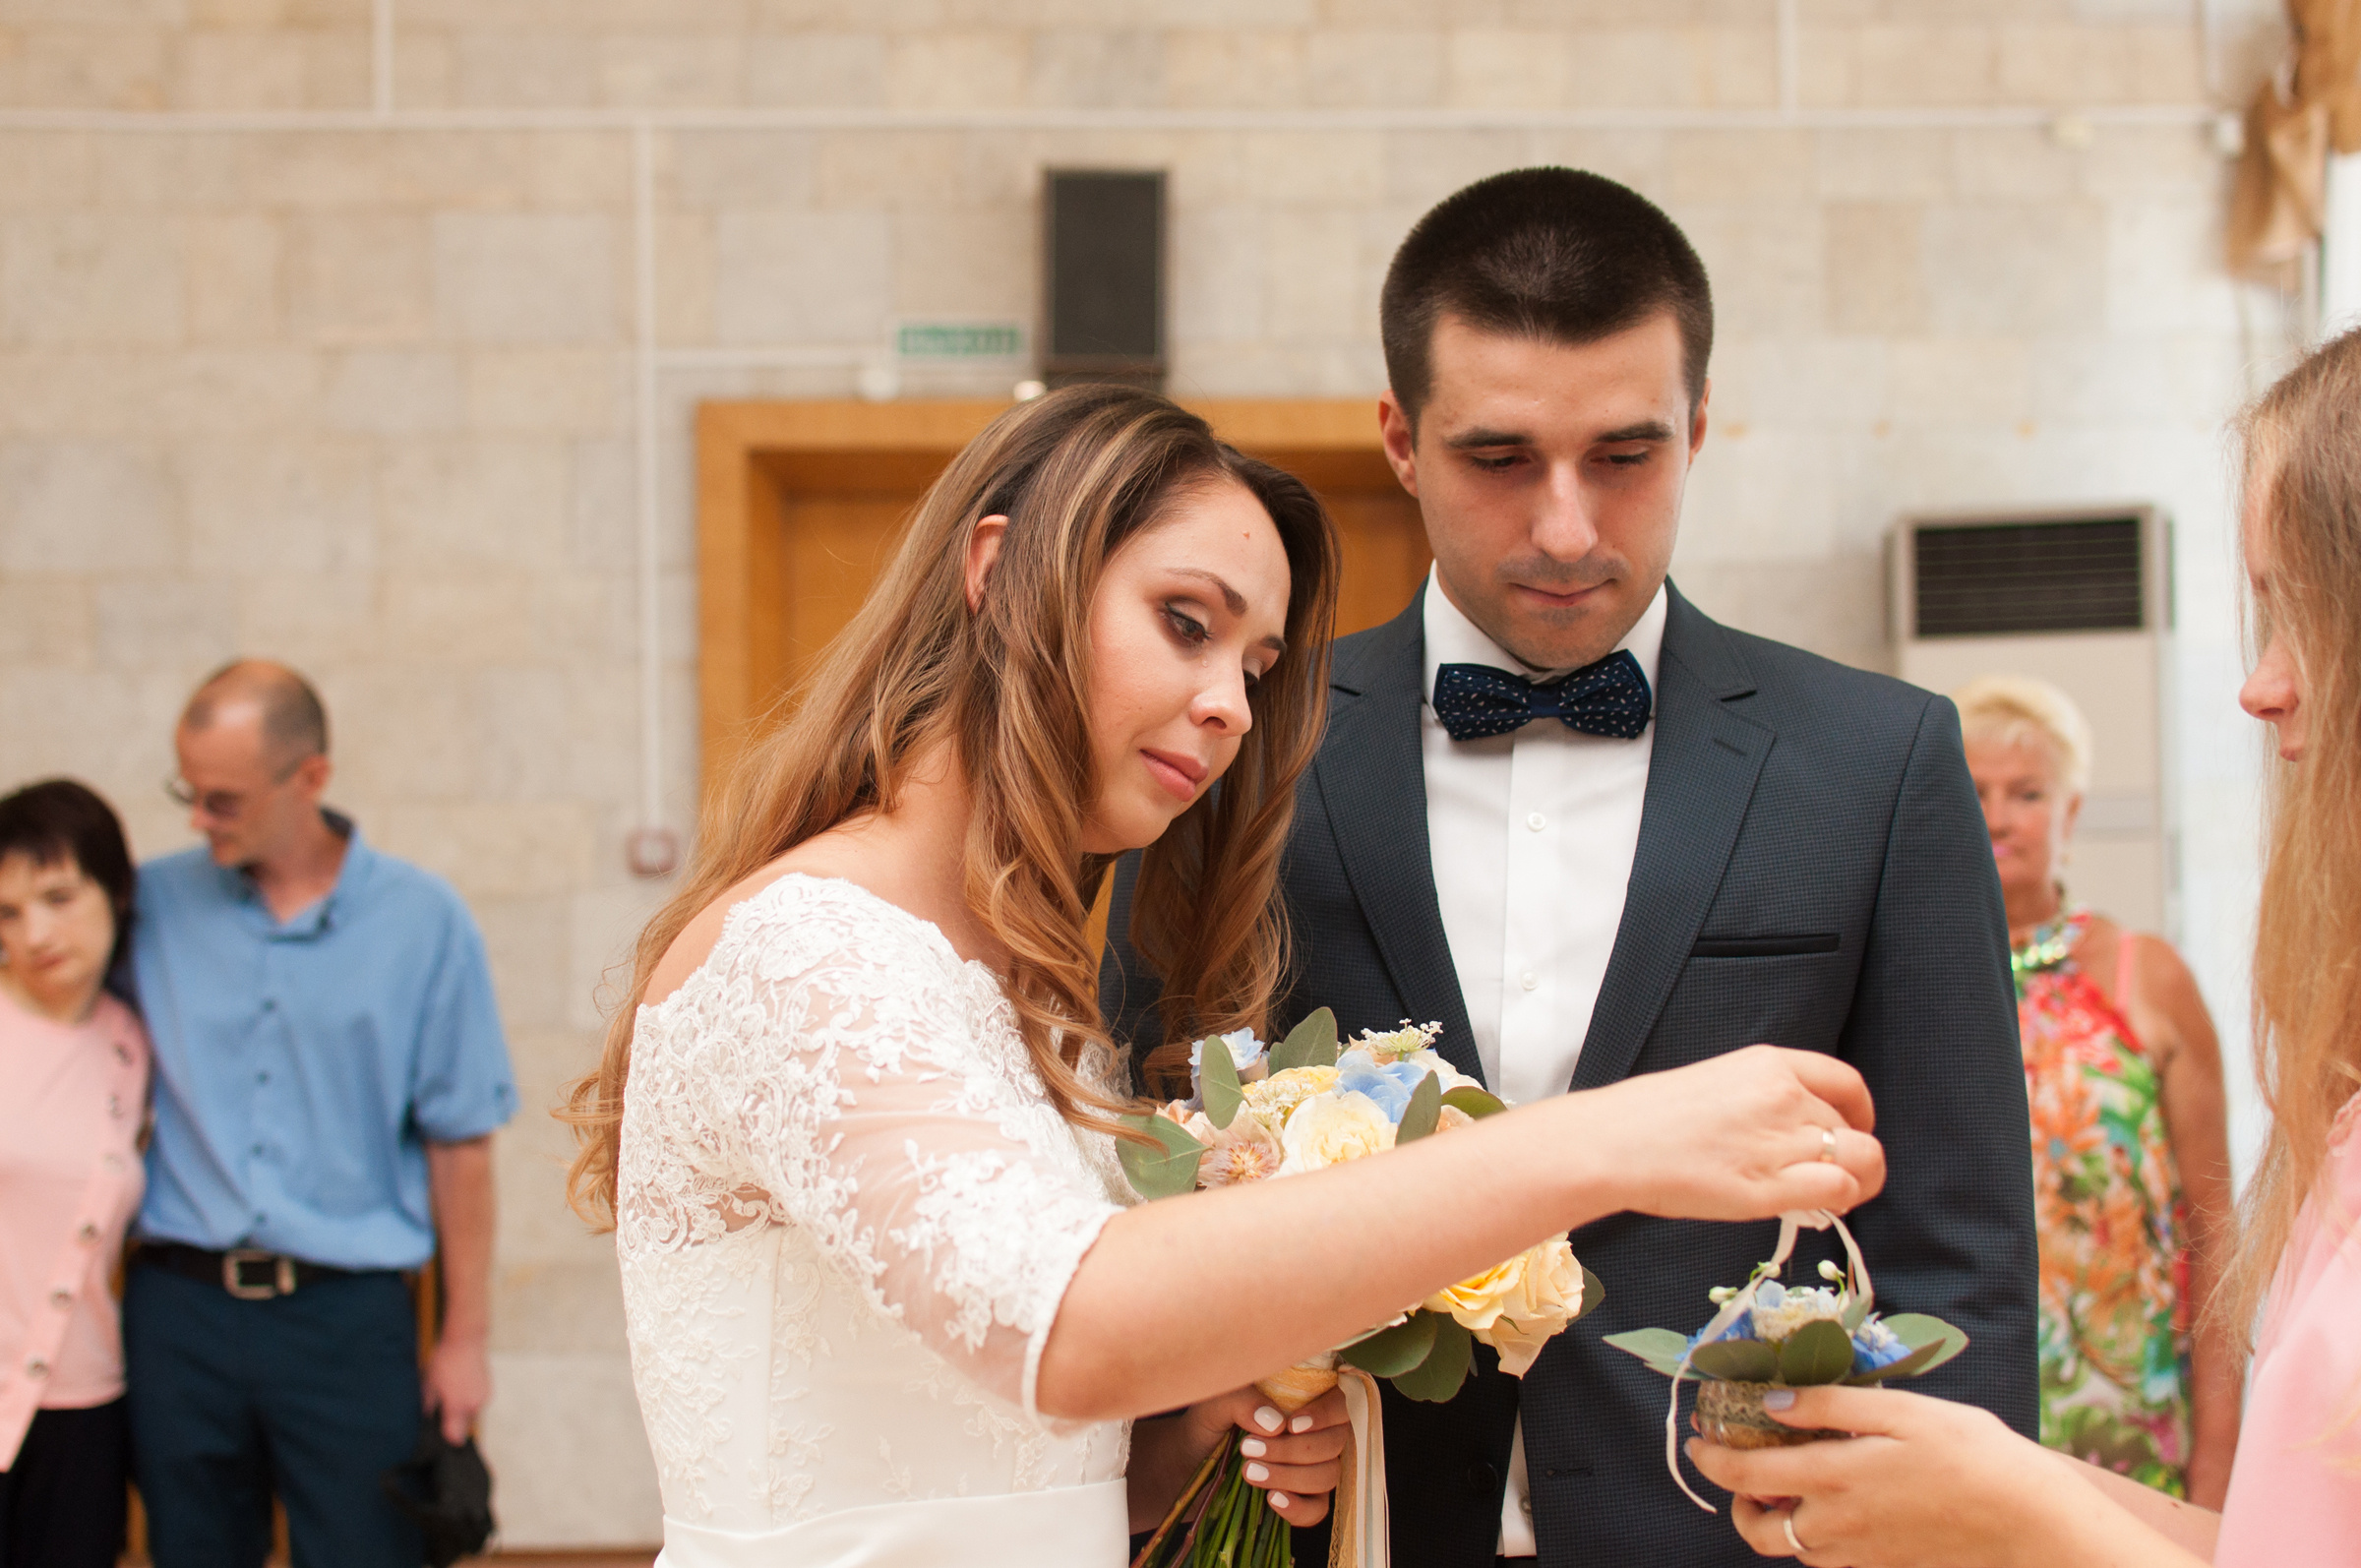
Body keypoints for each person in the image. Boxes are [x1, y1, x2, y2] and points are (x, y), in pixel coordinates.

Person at [565, 383, 1889, 1567]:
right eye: (1183, 624)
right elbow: (1064, 1323)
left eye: (1253, 665)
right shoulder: (813, 947)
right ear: (999, 565)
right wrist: (1597, 1143)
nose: (1233, 706)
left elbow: (1041, 1458)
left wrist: (1204, 1415)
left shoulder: (1025, 993)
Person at [1103, 166, 2038, 1568]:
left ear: (1699, 431)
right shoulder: (1238, 749)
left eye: (1624, 454)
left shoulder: (1877, 762)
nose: (1564, 527)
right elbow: (1134, 1171)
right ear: (1401, 441)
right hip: (1330, 1527)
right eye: (1499, 458)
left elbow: (1964, 1255)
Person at [1687, 326, 2361, 1566]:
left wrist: (2007, 1502)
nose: (2258, 687)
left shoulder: (2145, 975)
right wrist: (1971, 1473)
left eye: (2298, 612)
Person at [126, 661, 518, 1568]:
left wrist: (463, 1339)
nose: (197, 819)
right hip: (178, 1315)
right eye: (188, 792)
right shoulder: (150, 907)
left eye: (222, 800)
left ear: (310, 778)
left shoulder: (426, 923)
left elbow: (462, 1147)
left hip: (347, 1322)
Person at [1954, 674, 2241, 1504]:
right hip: (1964, 1417)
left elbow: (2217, 1235)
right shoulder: (1908, 980)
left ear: (2071, 815)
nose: (2000, 817)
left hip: (2133, 1420)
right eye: (1974, 792)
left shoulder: (2144, 975)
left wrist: (2218, 1465)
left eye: (2029, 793)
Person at [0, 780, 149, 1568]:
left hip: (87, 1408)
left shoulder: (132, 1041)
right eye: (9, 913)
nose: (36, 932)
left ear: (116, 890)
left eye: (58, 896)